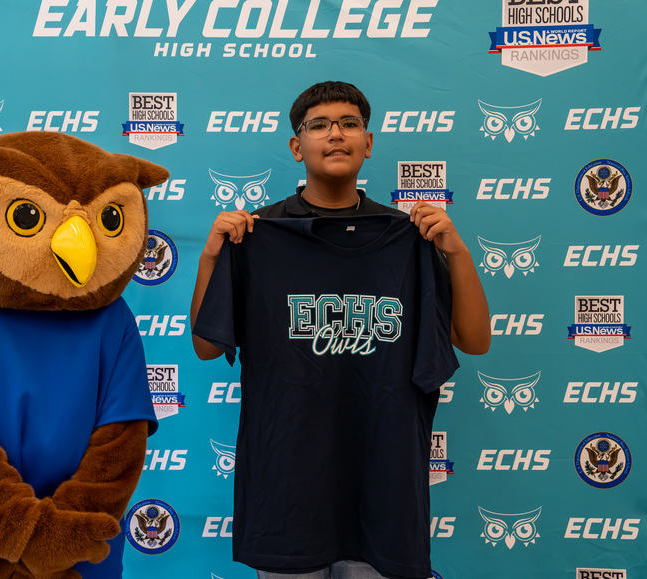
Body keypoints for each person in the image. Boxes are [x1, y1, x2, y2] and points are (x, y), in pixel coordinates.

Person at [190, 81, 490, 579]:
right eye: (319, 125)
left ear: (368, 143)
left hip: (383, 496)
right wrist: (210, 257)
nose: (336, 134)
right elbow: (205, 346)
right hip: (287, 491)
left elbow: (475, 340)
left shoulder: (408, 239)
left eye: (350, 124)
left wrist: (455, 251)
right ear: (296, 145)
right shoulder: (257, 235)